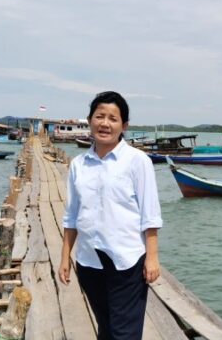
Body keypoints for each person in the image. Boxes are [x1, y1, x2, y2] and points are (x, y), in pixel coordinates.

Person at [59, 91, 162, 340]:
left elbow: (150, 215)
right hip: (89, 260)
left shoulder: (138, 161)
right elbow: (72, 215)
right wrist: (65, 258)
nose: (105, 123)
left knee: (124, 333)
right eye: (99, 116)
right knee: (105, 327)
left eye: (113, 119)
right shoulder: (78, 164)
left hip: (126, 261)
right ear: (90, 120)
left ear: (123, 125)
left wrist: (152, 257)